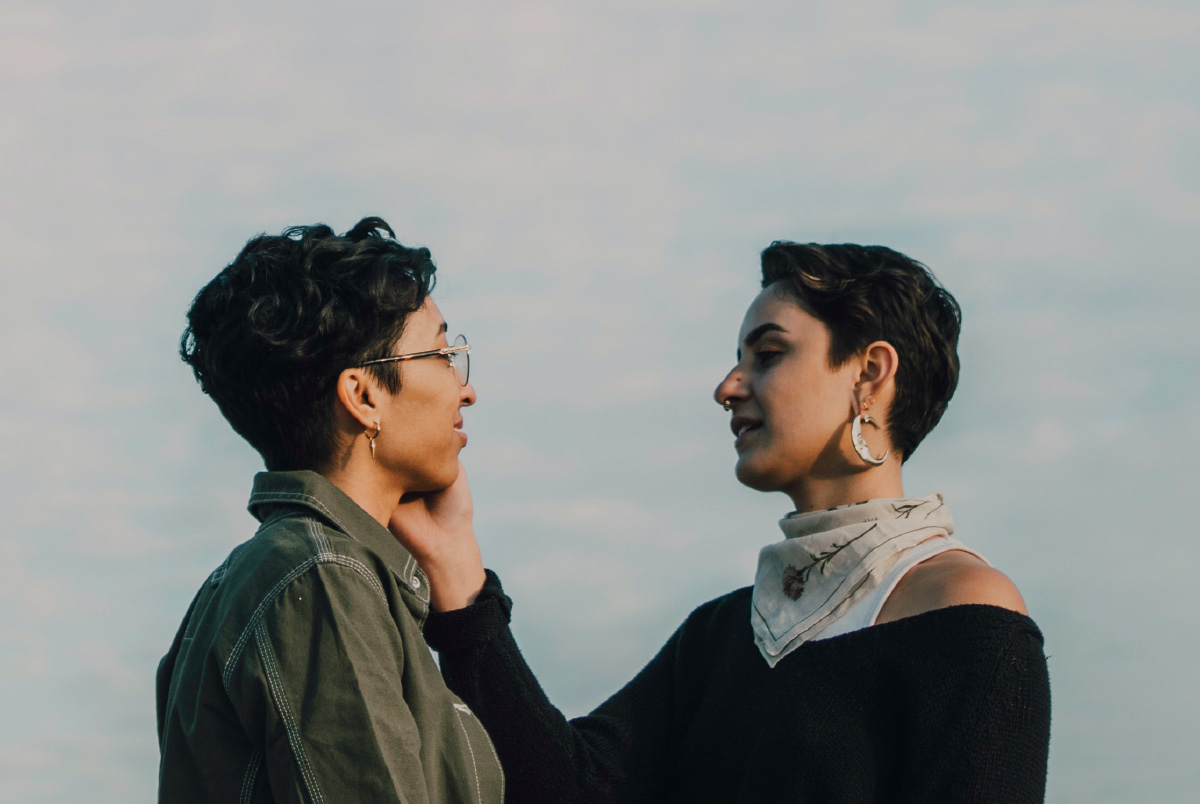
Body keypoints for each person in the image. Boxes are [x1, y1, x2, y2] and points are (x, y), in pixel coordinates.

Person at [391, 242, 1052, 802]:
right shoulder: (721, 636)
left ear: (870, 373)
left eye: (768, 354)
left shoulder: (967, 613)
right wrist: (456, 572)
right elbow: (562, 788)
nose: (728, 386)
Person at [157, 218, 504, 803]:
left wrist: (450, 555)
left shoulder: (290, 573)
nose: (465, 389)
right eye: (444, 353)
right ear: (364, 396)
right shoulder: (321, 579)